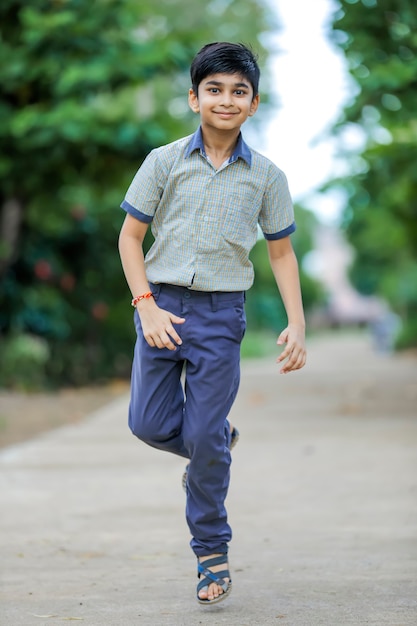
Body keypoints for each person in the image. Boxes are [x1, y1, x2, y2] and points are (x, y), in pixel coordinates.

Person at [118, 41, 306, 605]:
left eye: (238, 91)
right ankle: (216, 443)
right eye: (214, 89)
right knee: (149, 425)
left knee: (201, 435)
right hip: (161, 306)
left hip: (222, 314)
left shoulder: (267, 177)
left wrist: (298, 325)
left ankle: (211, 552)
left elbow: (281, 254)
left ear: (254, 104)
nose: (226, 100)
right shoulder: (163, 161)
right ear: (194, 98)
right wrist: (146, 305)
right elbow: (130, 238)